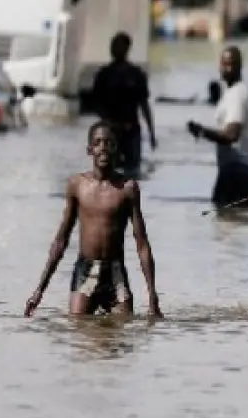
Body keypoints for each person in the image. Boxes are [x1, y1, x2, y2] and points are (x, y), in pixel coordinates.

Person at [25, 121, 162, 318]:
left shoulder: (128, 189)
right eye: (98, 143)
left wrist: (152, 295)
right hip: (85, 272)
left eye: (109, 143)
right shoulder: (77, 185)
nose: (103, 148)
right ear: (90, 150)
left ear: (117, 149)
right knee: (79, 330)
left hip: (115, 274)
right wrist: (39, 291)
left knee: (124, 333)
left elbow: (142, 244)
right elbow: (61, 240)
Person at [188, 47, 248, 208]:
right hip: (240, 170)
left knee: (226, 224)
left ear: (240, 67)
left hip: (236, 172)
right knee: (231, 226)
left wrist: (202, 131)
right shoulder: (236, 93)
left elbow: (231, 135)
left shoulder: (237, 95)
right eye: (223, 64)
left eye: (231, 64)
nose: (226, 68)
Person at [92, 32, 158, 176]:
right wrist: (107, 122)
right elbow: (95, 103)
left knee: (132, 171)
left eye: (118, 46)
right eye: (113, 46)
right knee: (107, 170)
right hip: (109, 131)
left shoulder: (136, 74)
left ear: (127, 49)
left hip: (131, 130)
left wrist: (151, 133)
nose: (114, 49)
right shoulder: (104, 74)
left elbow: (144, 105)